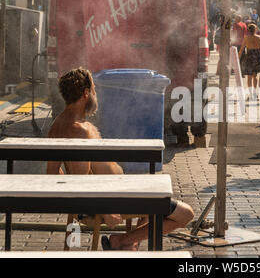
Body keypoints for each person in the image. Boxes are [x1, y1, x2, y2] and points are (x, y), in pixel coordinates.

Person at [47, 68, 194, 250]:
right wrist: (106, 210)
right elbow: (82, 183)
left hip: (118, 193)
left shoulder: (57, 125)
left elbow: (52, 173)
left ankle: (126, 244)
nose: (95, 94)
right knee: (186, 214)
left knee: (152, 197)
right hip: (115, 199)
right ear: (86, 93)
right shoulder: (80, 131)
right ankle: (123, 242)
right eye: (93, 89)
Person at [239, 24, 260, 100]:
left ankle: (250, 94)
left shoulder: (246, 38)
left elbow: (241, 49)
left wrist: (238, 58)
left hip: (249, 57)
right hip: (257, 57)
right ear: (255, 30)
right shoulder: (259, 38)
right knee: (255, 76)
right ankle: (255, 93)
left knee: (249, 77)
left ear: (248, 30)